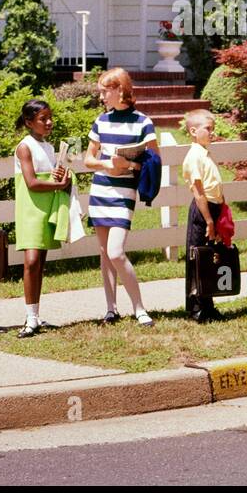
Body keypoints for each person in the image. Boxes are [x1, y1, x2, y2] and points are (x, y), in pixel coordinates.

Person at [83, 68, 155, 326]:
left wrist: (128, 166)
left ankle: (140, 308)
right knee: (104, 253)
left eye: (105, 91)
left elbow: (154, 162)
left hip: (125, 192)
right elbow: (88, 159)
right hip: (100, 190)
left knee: (115, 252)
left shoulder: (143, 122)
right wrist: (106, 166)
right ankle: (111, 309)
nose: (102, 96)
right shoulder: (101, 121)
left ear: (120, 90)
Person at [12, 99, 71, 338]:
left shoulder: (47, 146)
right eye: (42, 119)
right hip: (30, 208)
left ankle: (35, 315)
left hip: (46, 206)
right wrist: (57, 184)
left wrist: (61, 176)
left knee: (40, 264)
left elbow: (46, 176)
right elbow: (32, 183)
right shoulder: (24, 147)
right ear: (29, 122)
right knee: (32, 261)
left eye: (50, 117)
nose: (49, 122)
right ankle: (30, 318)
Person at [181, 109, 226, 323]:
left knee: (210, 259)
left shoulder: (206, 153)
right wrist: (209, 220)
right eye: (208, 129)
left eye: (212, 129)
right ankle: (196, 307)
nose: (211, 133)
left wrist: (222, 212)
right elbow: (198, 192)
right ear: (193, 130)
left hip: (214, 209)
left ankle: (209, 304)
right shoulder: (194, 156)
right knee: (197, 258)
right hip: (202, 211)